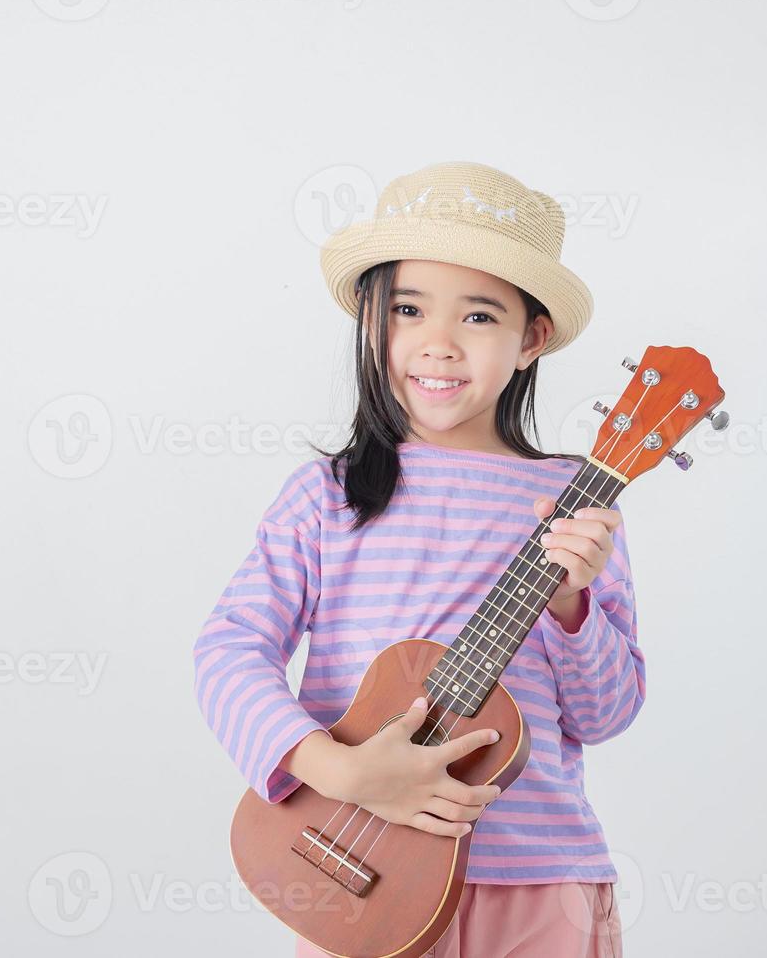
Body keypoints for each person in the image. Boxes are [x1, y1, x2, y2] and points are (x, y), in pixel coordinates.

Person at [193, 161, 641, 957]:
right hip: (361, 871)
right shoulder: (326, 496)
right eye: (407, 309)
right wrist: (336, 771)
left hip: (539, 878)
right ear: (373, 322)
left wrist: (575, 607)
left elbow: (605, 715)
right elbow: (229, 650)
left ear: (531, 337)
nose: (437, 343)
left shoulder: (575, 499)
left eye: (477, 317)